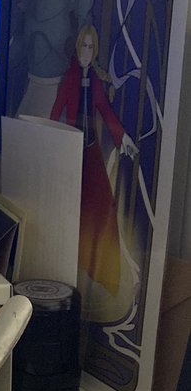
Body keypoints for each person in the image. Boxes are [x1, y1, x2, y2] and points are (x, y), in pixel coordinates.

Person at [50, 23, 138, 299]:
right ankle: (70, 264)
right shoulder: (70, 79)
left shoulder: (96, 82)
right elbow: (56, 112)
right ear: (77, 48)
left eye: (91, 47)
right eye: (83, 46)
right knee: (71, 206)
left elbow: (105, 110)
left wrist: (122, 136)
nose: (86, 51)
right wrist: (51, 143)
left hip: (90, 150)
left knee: (101, 204)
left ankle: (105, 272)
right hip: (71, 150)